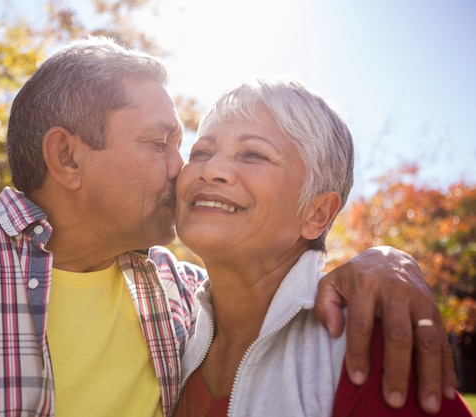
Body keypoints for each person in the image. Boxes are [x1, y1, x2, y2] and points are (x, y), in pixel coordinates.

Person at [0, 36, 455, 417]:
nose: (187, 169)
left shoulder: (180, 295)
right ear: (67, 158)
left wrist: (383, 258)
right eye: (168, 144)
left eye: (182, 145)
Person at [172, 78, 472, 416]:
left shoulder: (367, 348)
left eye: (253, 154)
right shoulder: (168, 319)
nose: (212, 170)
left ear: (317, 213)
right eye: (201, 152)